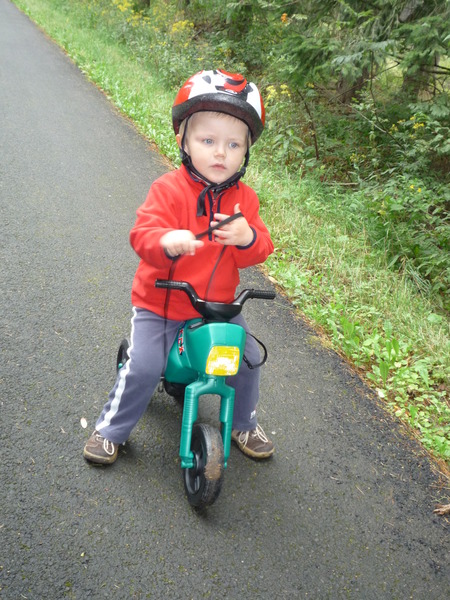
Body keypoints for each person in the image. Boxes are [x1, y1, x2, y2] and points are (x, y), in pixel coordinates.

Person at [83, 69, 275, 465]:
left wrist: (247, 238)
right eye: (208, 141)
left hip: (217, 308)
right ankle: (111, 430)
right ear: (183, 141)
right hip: (162, 305)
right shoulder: (168, 190)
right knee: (145, 367)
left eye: (233, 144)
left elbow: (259, 250)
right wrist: (165, 241)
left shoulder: (245, 201)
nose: (220, 153)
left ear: (246, 152)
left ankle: (243, 423)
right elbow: (142, 235)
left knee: (248, 359)